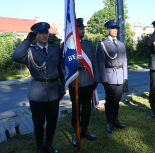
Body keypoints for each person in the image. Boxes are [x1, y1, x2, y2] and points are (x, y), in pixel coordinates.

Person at [12, 22, 64, 153]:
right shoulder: (30, 52)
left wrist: (62, 89)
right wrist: (27, 40)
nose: (44, 35)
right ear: (36, 35)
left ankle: (49, 145)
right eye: (40, 33)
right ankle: (40, 147)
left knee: (52, 122)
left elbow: (61, 70)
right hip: (37, 93)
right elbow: (16, 56)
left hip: (53, 92)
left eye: (46, 32)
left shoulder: (55, 50)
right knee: (38, 123)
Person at [68, 18, 99, 146]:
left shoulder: (88, 44)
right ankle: (77, 133)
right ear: (75, 30)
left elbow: (94, 62)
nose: (83, 31)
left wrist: (95, 78)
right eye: (80, 29)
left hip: (87, 81)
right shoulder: (68, 44)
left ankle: (85, 130)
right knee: (76, 110)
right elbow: (63, 65)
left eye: (83, 28)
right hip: (74, 82)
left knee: (87, 109)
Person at [96, 19, 127, 133]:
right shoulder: (102, 44)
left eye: (116, 29)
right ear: (108, 29)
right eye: (113, 28)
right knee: (109, 101)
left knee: (117, 100)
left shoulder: (121, 44)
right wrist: (103, 79)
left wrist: (125, 76)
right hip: (109, 76)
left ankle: (115, 120)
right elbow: (99, 62)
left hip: (120, 76)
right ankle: (109, 122)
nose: (115, 30)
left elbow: (125, 61)